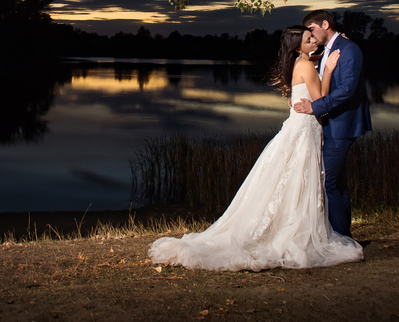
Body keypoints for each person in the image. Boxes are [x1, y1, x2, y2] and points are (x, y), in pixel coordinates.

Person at [148, 26, 363, 271]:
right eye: (308, 39)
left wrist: (326, 55)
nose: (314, 41)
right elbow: (322, 98)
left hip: (302, 126)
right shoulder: (304, 66)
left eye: (312, 36)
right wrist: (329, 69)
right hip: (305, 128)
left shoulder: (301, 63)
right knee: (297, 177)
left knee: (292, 176)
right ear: (297, 47)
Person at [291, 10, 372, 238]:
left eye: (313, 32)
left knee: (329, 183)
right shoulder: (330, 50)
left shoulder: (349, 50)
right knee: (338, 183)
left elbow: (347, 90)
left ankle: (341, 237)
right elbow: (315, 76)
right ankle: (344, 234)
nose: (313, 39)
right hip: (331, 124)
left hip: (343, 124)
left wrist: (314, 107)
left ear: (325, 24)